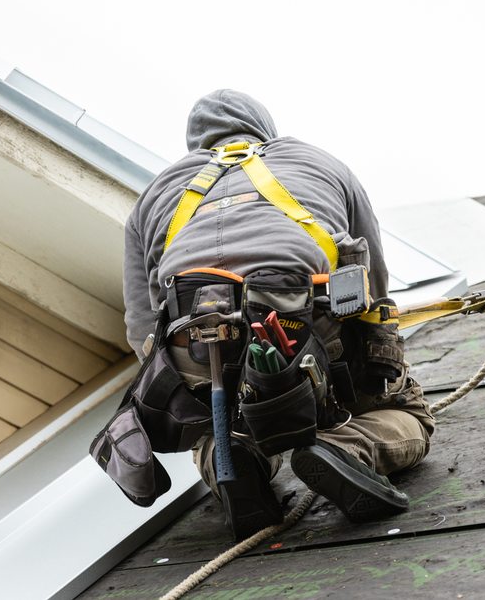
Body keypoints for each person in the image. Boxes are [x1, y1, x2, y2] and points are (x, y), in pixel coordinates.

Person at [122, 89, 435, 538]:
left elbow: (140, 326)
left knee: (216, 428)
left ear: (195, 144)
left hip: (197, 339)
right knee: (405, 410)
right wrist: (376, 362)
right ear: (264, 127)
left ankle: (234, 464)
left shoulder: (154, 194)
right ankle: (344, 448)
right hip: (308, 322)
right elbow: (373, 277)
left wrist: (189, 387)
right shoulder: (317, 161)